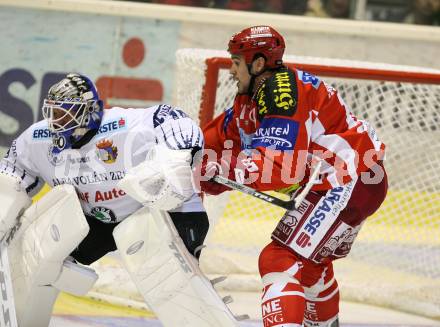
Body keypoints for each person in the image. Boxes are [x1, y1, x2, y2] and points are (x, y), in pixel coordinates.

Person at [0, 73, 238, 327]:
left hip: (163, 211)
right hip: (97, 221)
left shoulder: (126, 125)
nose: (56, 123)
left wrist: (177, 157)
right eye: (53, 113)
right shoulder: (38, 139)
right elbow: (12, 171)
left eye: (65, 114)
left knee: (173, 284)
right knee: (36, 258)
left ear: (88, 112)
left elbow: (172, 117)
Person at [196, 26, 388, 327]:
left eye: (236, 62)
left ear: (258, 64)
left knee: (279, 260)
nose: (231, 70)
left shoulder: (281, 95)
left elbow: (278, 168)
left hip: (348, 180)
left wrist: (221, 170)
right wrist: (191, 154)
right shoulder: (252, 95)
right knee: (311, 270)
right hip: (352, 180)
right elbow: (225, 134)